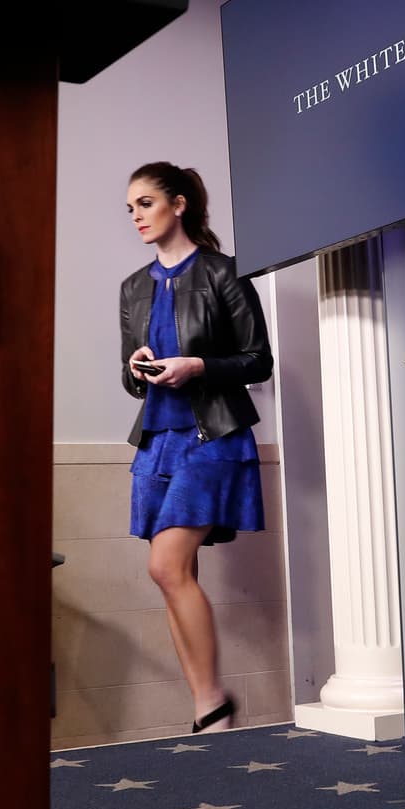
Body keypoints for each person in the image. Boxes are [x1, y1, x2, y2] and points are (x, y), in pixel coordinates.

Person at [119, 161, 273, 735]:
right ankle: (206, 713)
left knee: (166, 565)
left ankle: (212, 703)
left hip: (212, 436)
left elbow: (259, 359)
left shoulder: (224, 274)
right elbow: (130, 374)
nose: (135, 215)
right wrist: (136, 369)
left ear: (178, 205)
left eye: (145, 203)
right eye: (130, 207)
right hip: (157, 440)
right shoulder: (133, 287)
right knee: (170, 574)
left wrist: (199, 365)